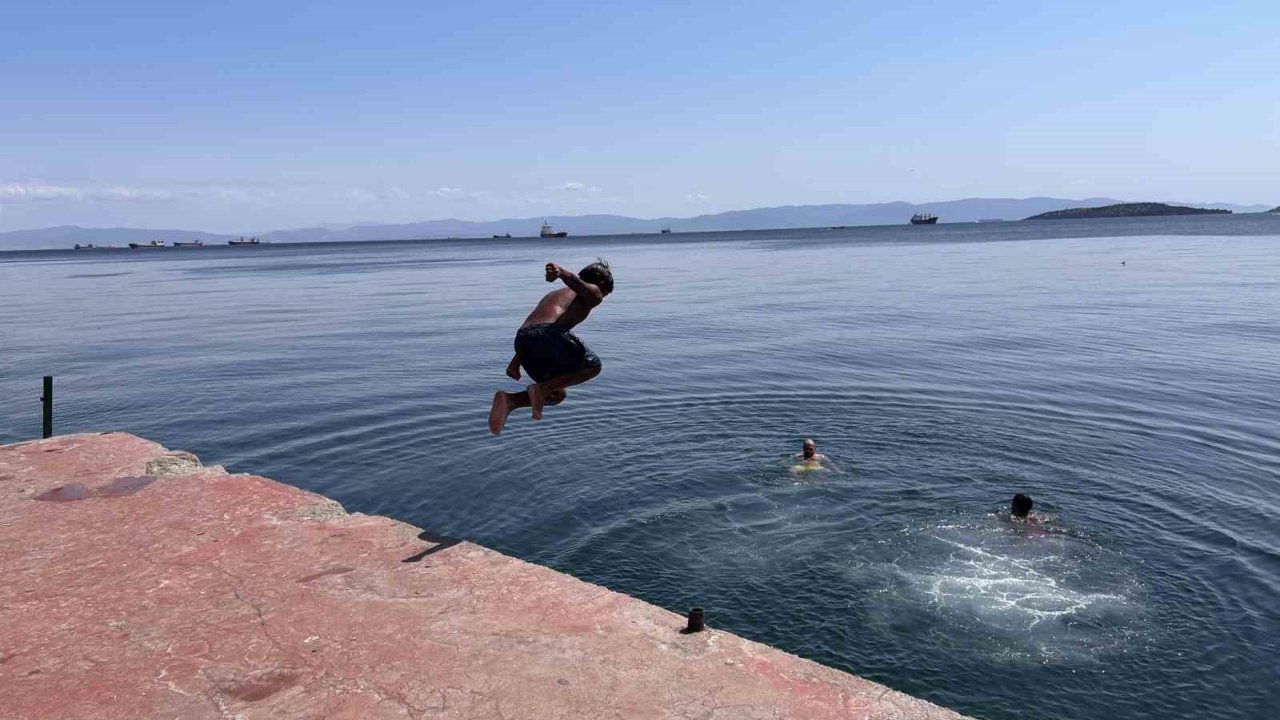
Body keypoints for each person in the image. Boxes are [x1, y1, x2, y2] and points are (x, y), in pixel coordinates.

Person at [488, 259, 614, 434]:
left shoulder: (554, 295)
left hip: (523, 340)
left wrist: (515, 362)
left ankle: (511, 401)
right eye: (606, 294)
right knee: (593, 365)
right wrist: (560, 272)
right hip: (546, 336)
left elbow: (532, 330)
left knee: (557, 394)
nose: (601, 299)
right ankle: (541, 389)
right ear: (601, 284)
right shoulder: (594, 292)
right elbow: (575, 281)